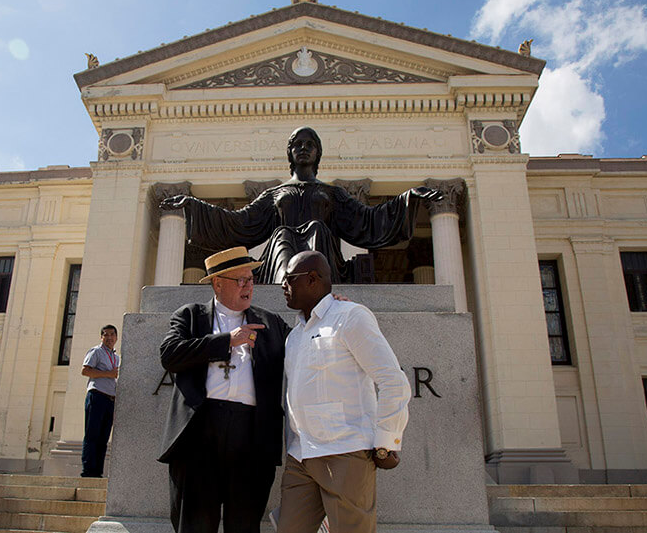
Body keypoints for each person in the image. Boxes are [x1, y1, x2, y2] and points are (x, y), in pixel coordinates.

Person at [160, 126, 443, 283]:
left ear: (318, 154)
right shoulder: (275, 194)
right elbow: (240, 222)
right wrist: (193, 205)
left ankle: (312, 284)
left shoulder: (333, 194)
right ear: (290, 154)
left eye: (310, 144)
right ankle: (289, 285)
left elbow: (367, 220)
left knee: (317, 228)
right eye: (298, 144)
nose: (304, 148)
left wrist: (409, 198)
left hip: (324, 257)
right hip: (281, 256)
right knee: (282, 235)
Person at [158, 246, 290, 533]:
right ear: (218, 283)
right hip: (199, 434)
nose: (248, 287)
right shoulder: (190, 316)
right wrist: (226, 341)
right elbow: (169, 354)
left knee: (244, 525)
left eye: (251, 280)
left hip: (251, 436)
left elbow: (304, 347)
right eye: (239, 280)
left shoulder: (271, 323)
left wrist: (329, 313)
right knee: (195, 525)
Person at [277, 251, 411, 533]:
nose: (282, 285)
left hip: (345, 451)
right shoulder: (294, 336)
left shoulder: (350, 317)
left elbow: (392, 381)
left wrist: (385, 442)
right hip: (300, 456)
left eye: (289, 278)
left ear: (312, 279)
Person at [81, 324, 119, 478]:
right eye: (106, 334)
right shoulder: (96, 351)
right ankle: (88, 470)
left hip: (110, 400)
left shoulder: (116, 357)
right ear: (101, 337)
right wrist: (108, 374)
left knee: (103, 438)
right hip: (97, 396)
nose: (109, 337)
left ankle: (97, 471)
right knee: (92, 435)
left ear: (116, 337)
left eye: (112, 334)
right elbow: (85, 370)